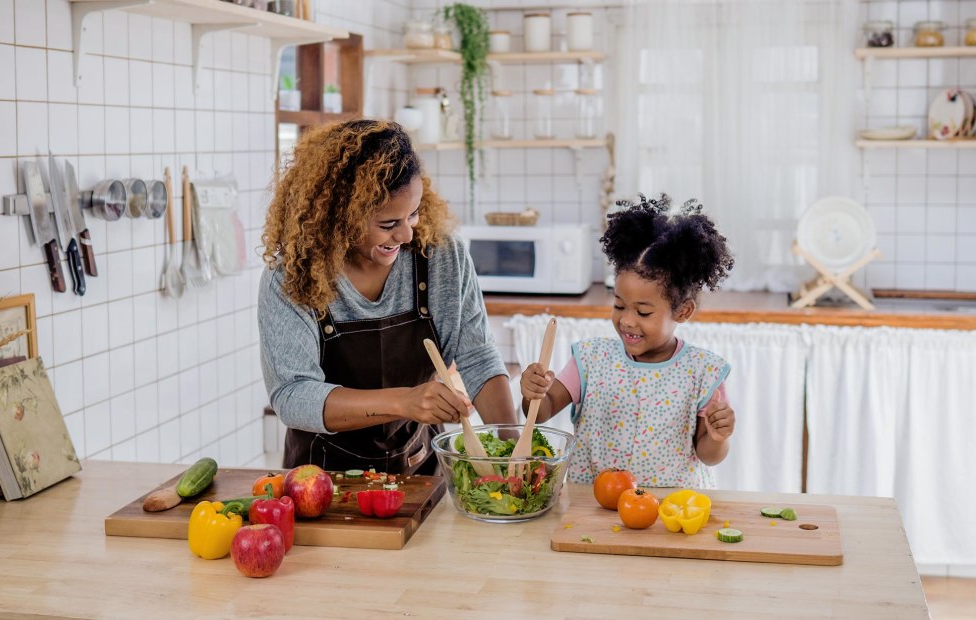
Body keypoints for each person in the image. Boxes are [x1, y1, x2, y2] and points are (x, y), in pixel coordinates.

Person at [258, 119, 516, 474]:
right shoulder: (292, 276)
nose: (408, 234)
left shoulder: (440, 255)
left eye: (413, 214)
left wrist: (515, 449)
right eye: (388, 224)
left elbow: (477, 359)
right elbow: (293, 396)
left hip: (419, 469)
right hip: (320, 478)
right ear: (340, 216)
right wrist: (404, 401)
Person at [519, 194, 737, 488]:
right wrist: (533, 392)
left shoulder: (703, 372)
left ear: (683, 311)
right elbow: (542, 410)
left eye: (643, 311)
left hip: (670, 513)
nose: (627, 320)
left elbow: (708, 455)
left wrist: (717, 437)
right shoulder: (591, 359)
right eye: (619, 305)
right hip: (594, 508)